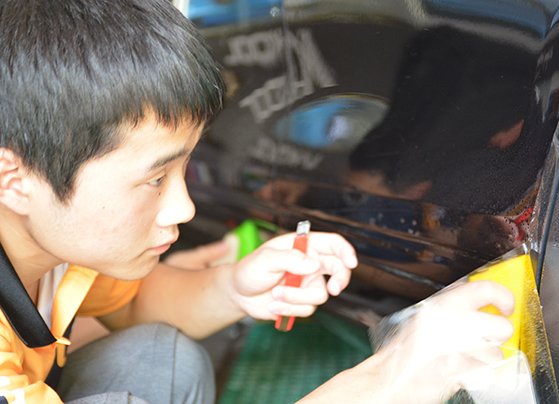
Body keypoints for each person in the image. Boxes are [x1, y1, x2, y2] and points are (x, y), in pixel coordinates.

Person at [0, 1, 514, 403]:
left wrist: (235, 289)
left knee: (157, 358)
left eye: (182, 168)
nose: (185, 208)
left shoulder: (53, 241)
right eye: (156, 178)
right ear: (14, 178)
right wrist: (390, 379)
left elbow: (130, 304)